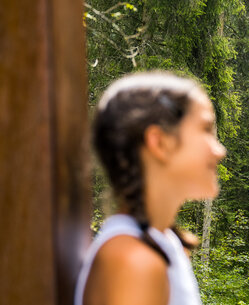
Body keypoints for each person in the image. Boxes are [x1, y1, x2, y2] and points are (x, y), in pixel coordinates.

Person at [74, 72, 227, 305]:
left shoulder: (162, 243)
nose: (219, 151)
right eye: (206, 129)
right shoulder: (132, 263)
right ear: (159, 142)